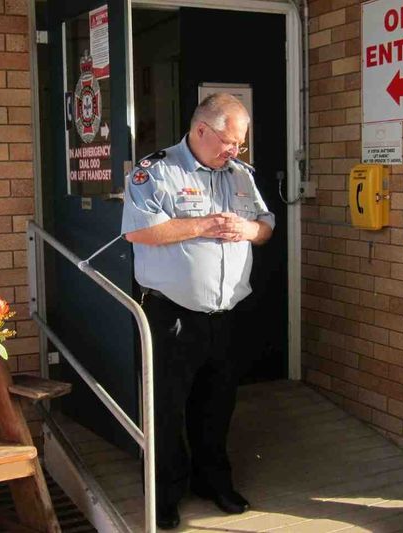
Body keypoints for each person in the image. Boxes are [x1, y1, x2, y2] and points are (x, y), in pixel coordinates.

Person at [122, 93, 274, 529]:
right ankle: (165, 493)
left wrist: (249, 229)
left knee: (217, 403)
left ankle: (213, 481)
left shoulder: (240, 174)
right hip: (172, 314)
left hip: (225, 315)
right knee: (165, 408)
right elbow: (139, 232)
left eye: (240, 145)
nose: (235, 151)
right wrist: (205, 224)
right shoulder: (155, 172)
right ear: (201, 129)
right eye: (229, 142)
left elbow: (265, 227)